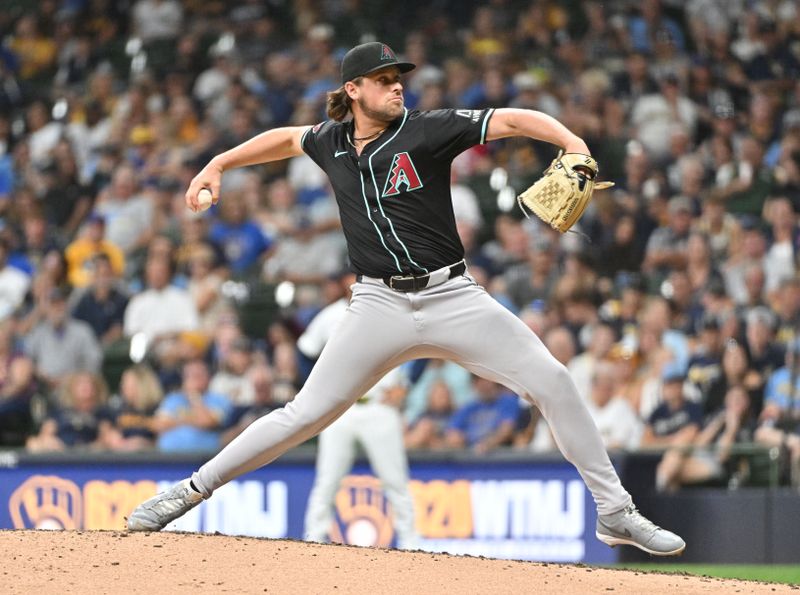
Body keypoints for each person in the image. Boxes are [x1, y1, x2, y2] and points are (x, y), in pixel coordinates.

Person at [127, 41, 685, 556]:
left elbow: (512, 118)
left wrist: (571, 142)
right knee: (303, 414)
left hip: (452, 297)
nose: (398, 87)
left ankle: (614, 511)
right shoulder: (330, 141)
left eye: (399, 79)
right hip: (378, 306)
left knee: (555, 381)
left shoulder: (429, 130)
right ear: (353, 90)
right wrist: (218, 162)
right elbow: (283, 138)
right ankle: (186, 494)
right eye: (384, 79)